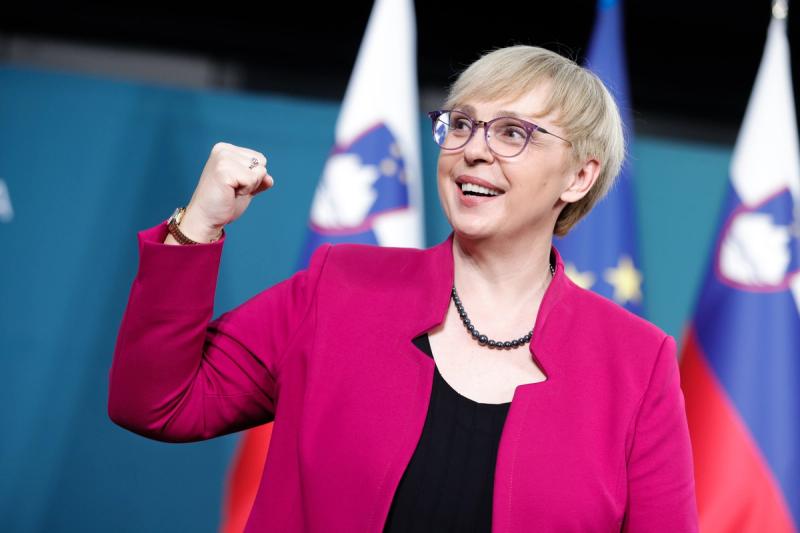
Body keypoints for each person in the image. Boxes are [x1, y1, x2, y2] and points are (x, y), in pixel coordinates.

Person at [108, 45, 699, 532]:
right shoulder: (339, 287)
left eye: (514, 133)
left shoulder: (635, 361)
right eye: (462, 123)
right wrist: (199, 226)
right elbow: (158, 403)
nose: (473, 149)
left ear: (578, 175)